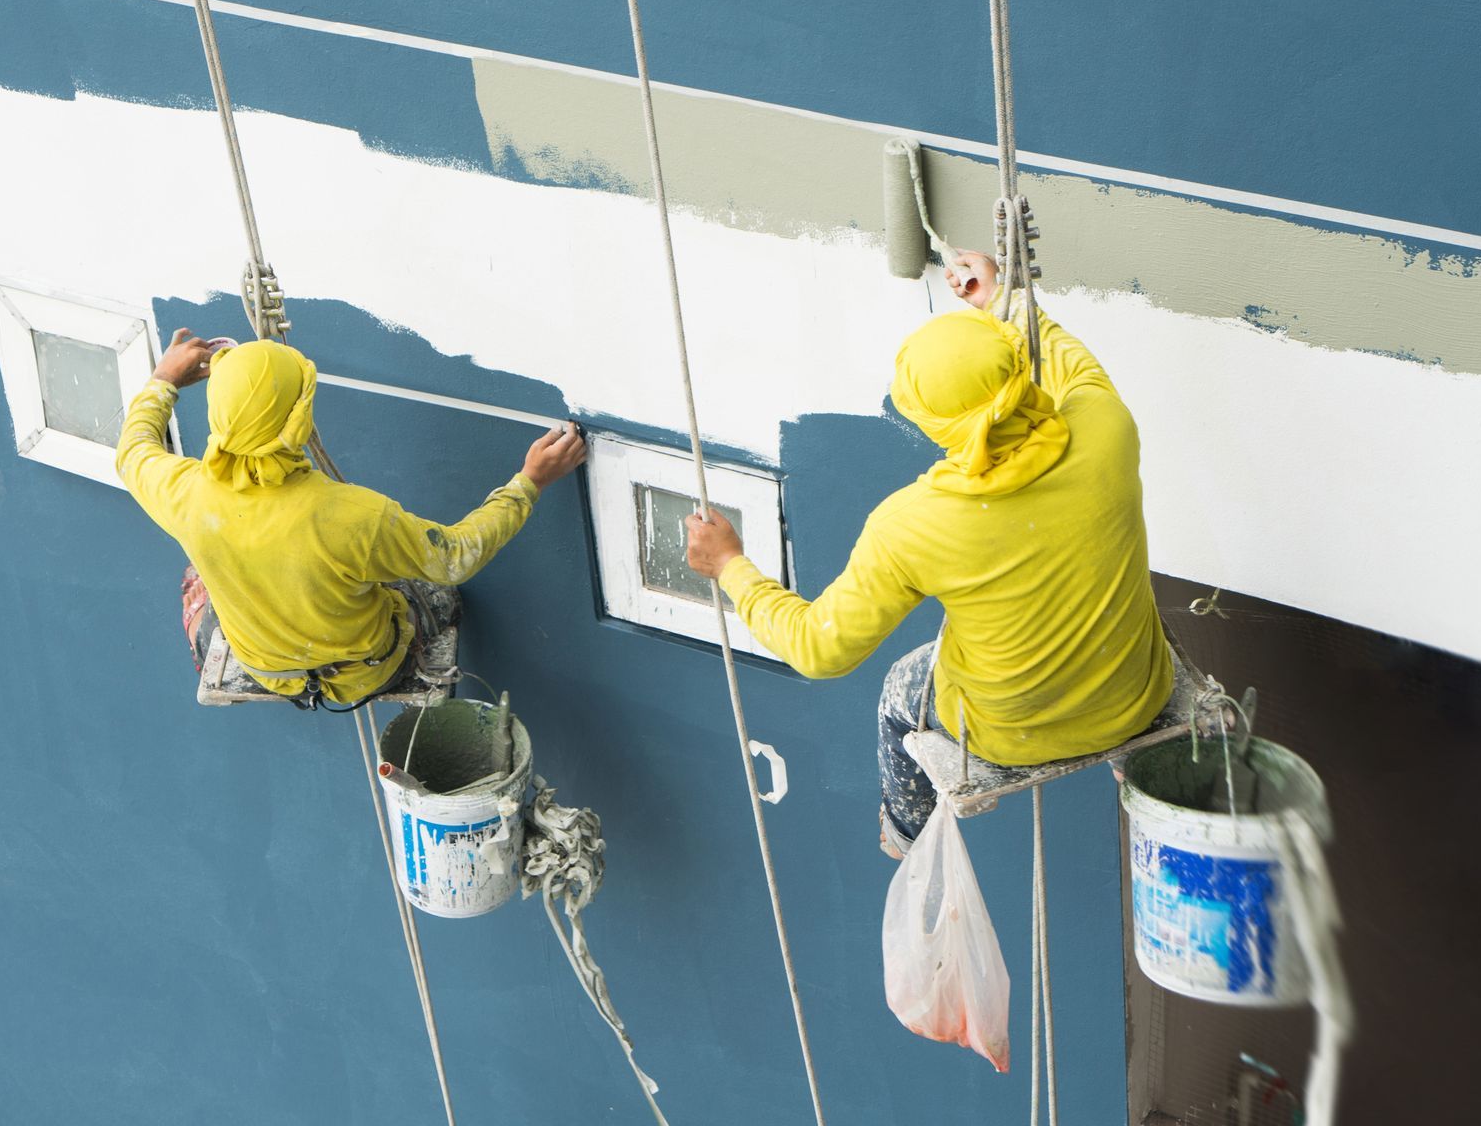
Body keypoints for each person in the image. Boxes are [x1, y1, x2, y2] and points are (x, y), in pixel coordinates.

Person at [684, 251, 1172, 857]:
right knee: (1128, 592)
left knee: (899, 691)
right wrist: (999, 297)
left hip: (1008, 735)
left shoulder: (912, 524)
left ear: (934, 425)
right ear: (1018, 371)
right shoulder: (1106, 426)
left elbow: (818, 647)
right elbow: (1060, 351)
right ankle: (1132, 761)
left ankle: (904, 834)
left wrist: (730, 565)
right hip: (1135, 696)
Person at [117, 328, 586, 710]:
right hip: (366, 672)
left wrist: (163, 381)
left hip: (271, 673)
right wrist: (530, 481)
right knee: (434, 590)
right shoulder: (354, 516)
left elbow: (134, 450)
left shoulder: (185, 493)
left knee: (199, 574)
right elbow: (456, 558)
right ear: (299, 419)